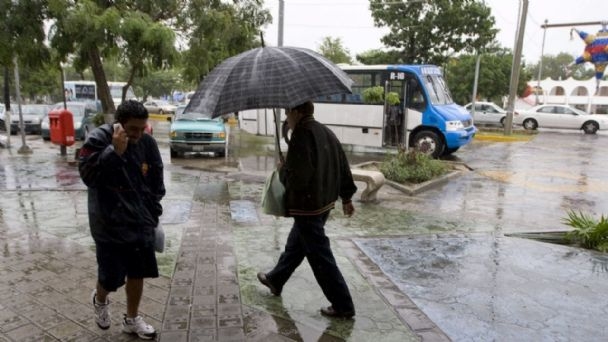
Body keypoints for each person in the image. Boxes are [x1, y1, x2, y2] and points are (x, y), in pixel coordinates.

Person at [257, 100, 358, 318]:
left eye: (287, 112)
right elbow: (343, 164)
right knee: (297, 244)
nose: (286, 118)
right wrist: (346, 197)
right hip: (324, 204)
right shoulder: (324, 130)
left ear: (296, 111)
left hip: (308, 207)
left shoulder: (302, 134)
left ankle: (343, 305)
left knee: (320, 256)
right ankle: (276, 279)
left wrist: (284, 171)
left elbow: (299, 179)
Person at [78, 100, 165, 340]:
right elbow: (88, 176)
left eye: (142, 128)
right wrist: (113, 152)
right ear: (119, 124)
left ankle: (132, 318)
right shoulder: (98, 140)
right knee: (111, 276)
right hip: (108, 223)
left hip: (140, 221)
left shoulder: (147, 142)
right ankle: (100, 299)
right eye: (132, 129)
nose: (137, 134)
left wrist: (152, 211)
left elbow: (157, 179)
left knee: (138, 272)